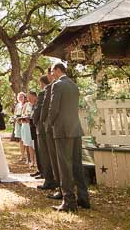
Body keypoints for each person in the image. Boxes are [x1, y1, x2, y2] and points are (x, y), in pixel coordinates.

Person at [47, 63, 90, 212]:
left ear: (58, 70)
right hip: (75, 129)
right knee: (77, 165)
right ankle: (84, 199)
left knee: (64, 166)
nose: (52, 75)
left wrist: (50, 123)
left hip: (63, 130)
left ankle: (69, 202)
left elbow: (54, 107)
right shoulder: (74, 85)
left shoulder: (58, 85)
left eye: (53, 72)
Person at [35, 75, 59, 190]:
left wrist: (34, 120)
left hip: (42, 127)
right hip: (53, 127)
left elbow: (39, 109)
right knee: (52, 155)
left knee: (45, 155)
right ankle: (55, 179)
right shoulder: (57, 89)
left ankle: (49, 180)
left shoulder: (43, 92)